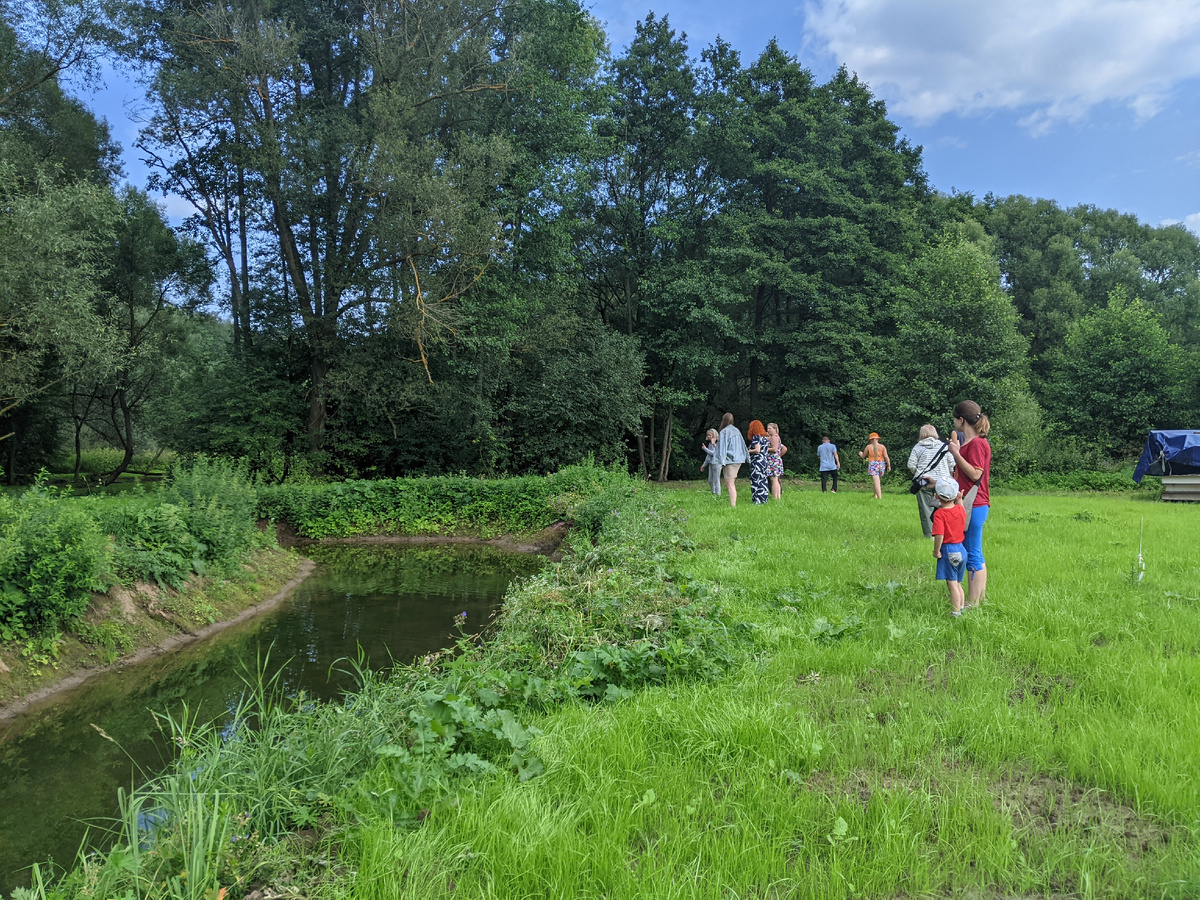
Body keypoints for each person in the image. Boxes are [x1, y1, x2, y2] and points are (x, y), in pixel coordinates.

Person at [949, 400, 991, 609]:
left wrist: (956, 454)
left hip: (975, 504)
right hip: (968, 503)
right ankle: (978, 599)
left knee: (973, 552)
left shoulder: (977, 444)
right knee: (972, 550)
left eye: (955, 419)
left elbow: (976, 473)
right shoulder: (970, 443)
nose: (954, 422)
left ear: (961, 420)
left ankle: (973, 604)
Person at [907, 424, 954, 538]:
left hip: (924, 482)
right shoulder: (944, 446)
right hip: (943, 482)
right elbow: (952, 464)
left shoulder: (918, 447)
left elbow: (910, 465)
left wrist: (917, 472)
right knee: (944, 508)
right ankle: (945, 533)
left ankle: (929, 536)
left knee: (926, 509)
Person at [931, 478, 967, 617]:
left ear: (936, 496)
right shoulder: (959, 510)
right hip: (962, 550)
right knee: (958, 582)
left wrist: (936, 550)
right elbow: (961, 507)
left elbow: (939, 534)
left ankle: (956, 612)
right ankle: (962, 607)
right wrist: (960, 498)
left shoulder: (940, 514)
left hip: (949, 550)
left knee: (951, 584)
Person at [715, 413, 748, 507]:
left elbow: (722, 447)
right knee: (729, 482)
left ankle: (733, 506)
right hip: (739, 459)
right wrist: (745, 456)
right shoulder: (737, 430)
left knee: (730, 484)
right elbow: (743, 444)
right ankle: (732, 504)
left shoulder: (724, 432)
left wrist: (721, 460)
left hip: (730, 460)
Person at [858, 432, 891, 499]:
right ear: (878, 439)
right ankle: (875, 495)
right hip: (881, 464)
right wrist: (889, 465)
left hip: (873, 464)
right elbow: (886, 457)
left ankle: (879, 497)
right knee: (878, 481)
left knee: (876, 482)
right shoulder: (882, 447)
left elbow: (863, 456)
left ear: (870, 440)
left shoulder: (868, 447)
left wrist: (860, 453)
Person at [746, 419, 770, 504]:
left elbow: (757, 450)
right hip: (764, 461)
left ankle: (757, 500)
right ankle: (764, 499)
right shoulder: (764, 438)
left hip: (757, 461)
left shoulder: (756, 437)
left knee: (756, 480)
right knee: (763, 480)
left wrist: (747, 451)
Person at [765, 423, 787, 500]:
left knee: (773, 480)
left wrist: (764, 449)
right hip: (775, 460)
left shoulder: (774, 437)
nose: (768, 430)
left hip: (773, 461)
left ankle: (775, 497)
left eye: (770, 428)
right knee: (776, 480)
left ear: (775, 429)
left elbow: (774, 449)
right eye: (767, 428)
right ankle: (778, 497)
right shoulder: (774, 437)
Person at [700, 428, 721, 496]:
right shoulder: (710, 445)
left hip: (717, 463)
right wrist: (704, 465)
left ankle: (718, 495)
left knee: (716, 480)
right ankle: (713, 493)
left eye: (710, 435)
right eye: (708, 435)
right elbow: (708, 456)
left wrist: (705, 449)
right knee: (710, 480)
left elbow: (713, 453)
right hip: (711, 463)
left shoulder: (718, 444)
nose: (708, 436)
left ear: (714, 435)